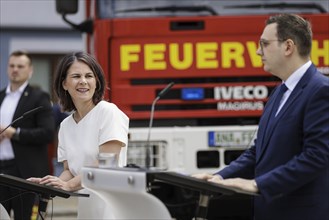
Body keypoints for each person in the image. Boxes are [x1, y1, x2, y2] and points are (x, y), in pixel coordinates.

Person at [193, 14, 329, 220]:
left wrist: (258, 184)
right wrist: (218, 177)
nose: (258, 51)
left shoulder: (320, 90)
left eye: (264, 44)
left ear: (288, 47)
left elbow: (317, 156)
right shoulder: (280, 92)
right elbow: (258, 152)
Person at [28, 51, 129, 219]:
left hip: (113, 206)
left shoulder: (108, 112)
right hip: (87, 205)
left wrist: (68, 186)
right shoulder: (66, 126)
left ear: (97, 82)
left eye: (89, 76)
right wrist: (53, 184)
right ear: (64, 84)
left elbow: (107, 163)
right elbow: (69, 170)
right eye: (76, 76)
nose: (83, 81)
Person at [0, 50, 55, 219]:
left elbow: (47, 133)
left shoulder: (39, 97)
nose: (15, 69)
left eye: (20, 66)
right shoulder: (0, 96)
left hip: (25, 172)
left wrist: (13, 133)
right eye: (12, 66)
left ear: (30, 70)